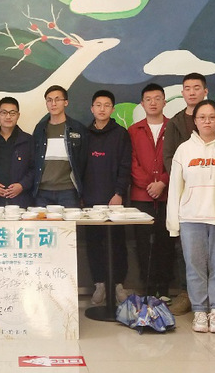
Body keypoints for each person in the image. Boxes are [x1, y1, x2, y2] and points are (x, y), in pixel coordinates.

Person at [167, 100, 215, 334]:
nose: (207, 121)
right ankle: (199, 310)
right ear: (195, 121)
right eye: (202, 117)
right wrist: (173, 223)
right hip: (191, 218)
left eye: (212, 117)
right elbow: (175, 188)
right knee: (194, 267)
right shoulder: (184, 149)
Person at [81, 90, 132, 306]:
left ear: (113, 109)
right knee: (94, 242)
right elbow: (79, 167)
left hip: (114, 199)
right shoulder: (84, 134)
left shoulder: (121, 134)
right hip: (89, 199)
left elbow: (125, 165)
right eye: (98, 105)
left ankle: (118, 284)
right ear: (92, 108)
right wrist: (81, 195)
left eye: (107, 105)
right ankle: (99, 284)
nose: (102, 109)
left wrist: (119, 192)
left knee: (117, 242)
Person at [129, 83, 174, 301]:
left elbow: (177, 159)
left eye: (157, 98)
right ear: (142, 103)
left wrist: (163, 182)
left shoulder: (173, 127)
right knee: (142, 244)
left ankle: (163, 289)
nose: (153, 103)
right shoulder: (134, 130)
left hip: (168, 196)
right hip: (141, 197)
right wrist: (149, 184)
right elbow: (131, 162)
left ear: (164, 102)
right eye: (148, 99)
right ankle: (146, 289)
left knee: (166, 243)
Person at [32, 85, 87, 208]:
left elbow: (83, 161)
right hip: (42, 192)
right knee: (43, 221)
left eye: (57, 99)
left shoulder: (77, 128)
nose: (53, 104)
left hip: (68, 191)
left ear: (66, 102)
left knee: (69, 221)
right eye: (49, 100)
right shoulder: (40, 128)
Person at [0, 97, 34, 207]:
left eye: (12, 113)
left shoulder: (28, 141)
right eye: (4, 113)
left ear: (18, 115)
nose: (8, 117)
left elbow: (35, 168)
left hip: (21, 199)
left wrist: (22, 185)